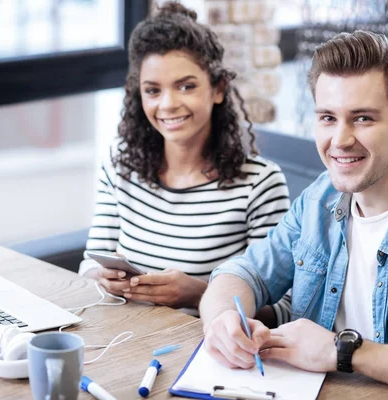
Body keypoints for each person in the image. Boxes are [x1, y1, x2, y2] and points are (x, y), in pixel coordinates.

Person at [199, 30, 388, 398]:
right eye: (327, 118)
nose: (340, 139)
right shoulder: (320, 197)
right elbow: (244, 273)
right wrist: (223, 320)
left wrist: (344, 351)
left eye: (363, 118)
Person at [79, 2, 290, 319]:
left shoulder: (259, 185)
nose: (168, 104)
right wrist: (100, 277)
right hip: (125, 343)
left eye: (186, 86)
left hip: (208, 355)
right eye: (153, 90)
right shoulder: (119, 171)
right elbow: (88, 267)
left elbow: (286, 309)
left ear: (218, 89)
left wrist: (201, 296)